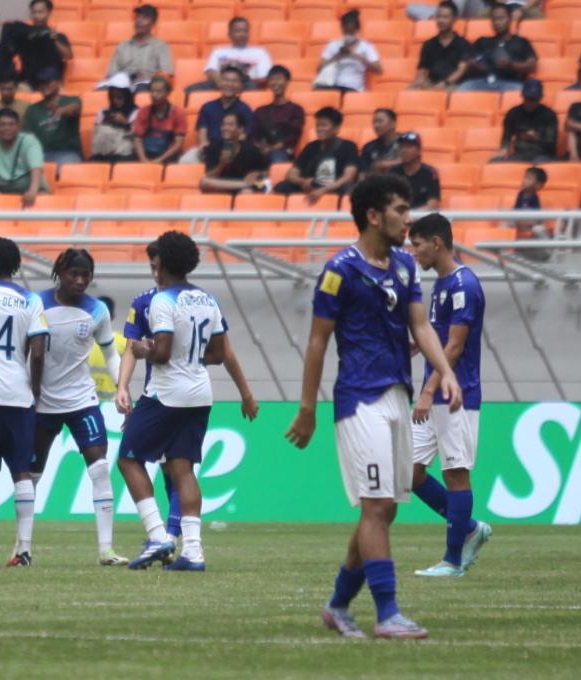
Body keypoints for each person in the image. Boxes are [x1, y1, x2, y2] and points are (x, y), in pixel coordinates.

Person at [285, 174, 464, 640]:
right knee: (378, 504)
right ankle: (388, 614)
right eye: (401, 210)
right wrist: (308, 407)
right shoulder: (340, 270)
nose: (408, 219)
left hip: (397, 397)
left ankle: (339, 604)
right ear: (372, 215)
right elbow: (317, 343)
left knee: (383, 510)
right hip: (358, 398)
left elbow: (421, 326)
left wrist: (444, 370)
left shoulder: (405, 265)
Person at [116, 240, 258, 547]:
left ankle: (160, 537)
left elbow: (157, 352)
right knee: (182, 467)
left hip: (166, 392)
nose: (153, 272)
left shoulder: (160, 301)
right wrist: (123, 385)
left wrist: (144, 349)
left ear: (163, 264)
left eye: (155, 265)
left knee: (130, 459)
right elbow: (221, 353)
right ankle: (191, 549)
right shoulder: (207, 299)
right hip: (199, 393)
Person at [407, 214, 493, 578]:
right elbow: (439, 337)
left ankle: (453, 560)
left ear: (437, 243)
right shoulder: (442, 284)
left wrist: (427, 391)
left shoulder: (464, 285)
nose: (414, 253)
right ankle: (470, 527)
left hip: (457, 394)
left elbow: (455, 347)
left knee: (456, 473)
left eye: (418, 245)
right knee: (407, 472)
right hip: (435, 389)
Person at [32, 248, 126, 567]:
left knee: (99, 466)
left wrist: (121, 388)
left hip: (82, 401)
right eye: (75, 273)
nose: (81, 280)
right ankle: (23, 547)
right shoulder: (37, 304)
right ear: (60, 271)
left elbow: (111, 353)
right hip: (42, 402)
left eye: (86, 275)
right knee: (30, 475)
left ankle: (106, 549)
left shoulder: (97, 310)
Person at [0, 237, 47, 567]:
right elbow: (39, 351)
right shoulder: (30, 300)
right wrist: (35, 388)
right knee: (22, 473)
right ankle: (24, 550)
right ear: (17, 265)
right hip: (19, 394)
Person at [274, 107, 359, 201]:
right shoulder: (310, 147)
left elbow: (348, 177)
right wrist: (303, 181)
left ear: (336, 128)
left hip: (333, 186)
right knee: (282, 186)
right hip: (310, 185)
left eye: (324, 125)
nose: (319, 129)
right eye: (318, 125)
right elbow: (291, 174)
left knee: (348, 188)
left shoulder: (348, 146)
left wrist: (324, 190)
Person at [456, 4, 536, 93]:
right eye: (494, 19)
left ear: (509, 19)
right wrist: (477, 64)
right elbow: (467, 60)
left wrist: (511, 65)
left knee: (522, 91)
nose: (497, 22)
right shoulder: (482, 41)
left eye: (501, 18)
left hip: (509, 83)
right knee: (463, 87)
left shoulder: (521, 42)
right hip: (483, 81)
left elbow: (532, 65)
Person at [0, 108, 47, 206]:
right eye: (2, 125)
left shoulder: (30, 141)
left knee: (43, 199)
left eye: (11, 124)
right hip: (2, 188)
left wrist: (32, 192)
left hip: (30, 187)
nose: (7, 128)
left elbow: (36, 168)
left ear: (18, 127)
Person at [182, 67, 255, 164]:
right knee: (186, 160)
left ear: (240, 86)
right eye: (226, 80)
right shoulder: (207, 107)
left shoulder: (245, 110)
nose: (229, 84)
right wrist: (205, 146)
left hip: (234, 150)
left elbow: (243, 136)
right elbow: (202, 132)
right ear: (219, 83)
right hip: (210, 149)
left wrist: (230, 150)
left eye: (234, 81)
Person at [189, 17, 272, 92]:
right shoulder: (219, 51)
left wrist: (237, 83)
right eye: (238, 31)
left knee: (252, 86)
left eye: (245, 31)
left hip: (246, 85)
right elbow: (210, 71)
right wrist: (224, 83)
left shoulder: (260, 52)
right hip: (221, 83)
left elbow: (264, 77)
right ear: (229, 34)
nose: (242, 34)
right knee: (190, 89)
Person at [105, 4, 173, 91]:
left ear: (153, 23)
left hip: (148, 85)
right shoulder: (122, 46)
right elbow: (112, 74)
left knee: (141, 87)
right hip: (123, 85)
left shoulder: (161, 46)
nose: (139, 21)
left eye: (144, 17)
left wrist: (149, 78)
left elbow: (166, 75)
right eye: (137, 17)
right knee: (103, 88)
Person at [23, 68, 82, 165]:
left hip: (67, 152)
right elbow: (28, 137)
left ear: (58, 82)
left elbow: (74, 109)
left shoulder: (72, 100)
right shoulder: (32, 109)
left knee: (68, 164)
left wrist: (62, 111)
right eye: (41, 83)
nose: (44, 86)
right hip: (41, 153)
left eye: (48, 82)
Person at [200, 111, 268, 194]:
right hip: (223, 185)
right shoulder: (213, 148)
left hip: (244, 187)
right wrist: (221, 164)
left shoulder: (251, 149)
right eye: (223, 125)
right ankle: (244, 185)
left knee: (250, 190)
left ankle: (244, 186)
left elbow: (264, 172)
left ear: (240, 129)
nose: (225, 128)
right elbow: (209, 176)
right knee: (204, 182)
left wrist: (257, 173)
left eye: (230, 125)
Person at [316, 10, 382, 94]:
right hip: (333, 87)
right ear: (342, 29)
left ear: (357, 30)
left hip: (354, 89)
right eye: (346, 32)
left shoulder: (366, 47)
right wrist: (337, 56)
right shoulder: (333, 45)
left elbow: (379, 70)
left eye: (351, 33)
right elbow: (319, 69)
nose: (348, 35)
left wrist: (357, 56)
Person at [250, 65, 305, 163]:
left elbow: (293, 137)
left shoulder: (296, 110)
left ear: (287, 82)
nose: (275, 82)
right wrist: (261, 146)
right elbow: (254, 135)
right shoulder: (260, 111)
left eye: (279, 79)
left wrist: (272, 148)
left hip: (282, 151)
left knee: (277, 157)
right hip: (262, 150)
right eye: (272, 79)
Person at [411, 2, 470, 90]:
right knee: (410, 90)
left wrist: (445, 83)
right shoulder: (428, 44)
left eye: (445, 17)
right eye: (439, 16)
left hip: (453, 85)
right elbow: (422, 69)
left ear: (454, 19)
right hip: (432, 83)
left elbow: (461, 70)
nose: (441, 20)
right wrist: (421, 81)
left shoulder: (463, 44)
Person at [496, 79, 557, 162]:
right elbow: (506, 137)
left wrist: (537, 137)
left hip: (542, 154)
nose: (530, 103)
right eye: (527, 99)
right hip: (520, 154)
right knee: (495, 162)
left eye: (533, 99)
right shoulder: (513, 113)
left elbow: (551, 143)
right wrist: (504, 148)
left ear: (540, 98)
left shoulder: (549, 115)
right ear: (523, 96)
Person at [132, 75, 186, 164]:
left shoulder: (178, 113)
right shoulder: (143, 111)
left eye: (159, 91)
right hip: (145, 154)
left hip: (167, 156)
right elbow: (137, 139)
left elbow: (178, 144)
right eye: (152, 91)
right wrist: (143, 159)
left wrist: (158, 161)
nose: (154, 95)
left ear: (168, 93)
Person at [89, 73, 137, 163]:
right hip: (102, 154)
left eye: (119, 97)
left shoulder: (135, 113)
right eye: (113, 97)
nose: (115, 100)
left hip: (124, 155)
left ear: (127, 97)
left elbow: (138, 137)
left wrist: (125, 123)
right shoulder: (102, 112)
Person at [390, 132, 441, 210]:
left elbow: (433, 204)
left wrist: (412, 216)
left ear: (419, 150)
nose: (404, 150)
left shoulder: (430, 173)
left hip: (422, 218)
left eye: (408, 146)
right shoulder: (393, 172)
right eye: (402, 147)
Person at [360, 109, 401, 177]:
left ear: (393, 123)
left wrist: (387, 164)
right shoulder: (369, 147)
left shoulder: (406, 142)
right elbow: (363, 173)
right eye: (374, 122)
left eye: (380, 121)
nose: (376, 125)